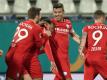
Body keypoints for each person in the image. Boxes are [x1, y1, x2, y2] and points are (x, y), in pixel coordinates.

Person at [5, 7, 51, 80]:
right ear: (37, 16)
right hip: (17, 58)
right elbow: (40, 47)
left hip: (10, 54)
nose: (41, 17)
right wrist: (46, 36)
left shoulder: (21, 23)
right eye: (40, 15)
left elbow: (28, 35)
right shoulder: (36, 28)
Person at [50, 3, 80, 80]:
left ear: (63, 12)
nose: (57, 14)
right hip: (58, 58)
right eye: (55, 12)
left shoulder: (68, 23)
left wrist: (84, 43)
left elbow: (73, 35)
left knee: (60, 78)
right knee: (68, 78)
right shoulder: (50, 23)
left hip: (65, 57)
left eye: (59, 12)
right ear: (53, 12)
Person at [79, 10, 107, 80]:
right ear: (102, 17)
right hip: (101, 58)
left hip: (89, 59)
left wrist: (80, 51)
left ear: (94, 18)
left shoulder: (86, 28)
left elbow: (83, 41)